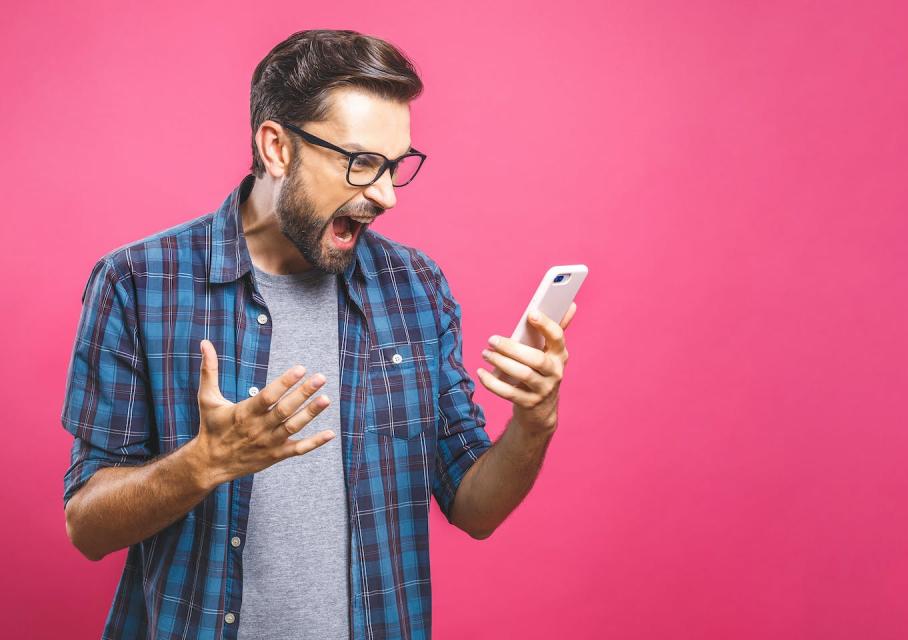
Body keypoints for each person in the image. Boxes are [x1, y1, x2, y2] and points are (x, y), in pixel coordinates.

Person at [61, 29, 576, 640]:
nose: (385, 194)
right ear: (277, 147)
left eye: (396, 166)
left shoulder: (415, 287)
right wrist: (203, 464)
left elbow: (474, 507)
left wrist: (534, 422)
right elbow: (86, 526)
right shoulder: (139, 283)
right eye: (362, 163)